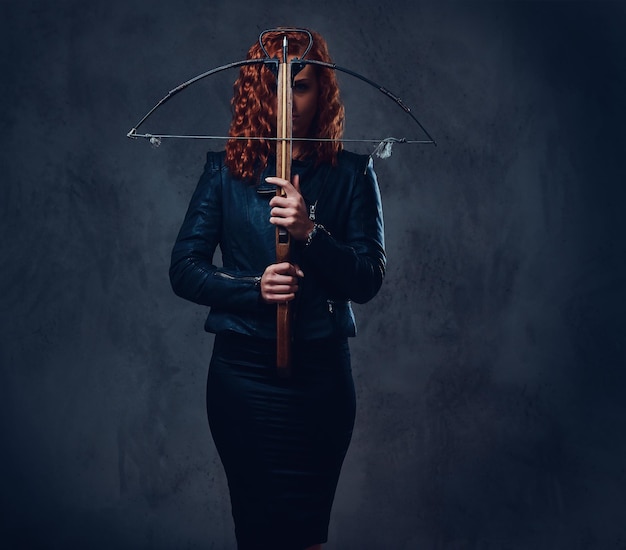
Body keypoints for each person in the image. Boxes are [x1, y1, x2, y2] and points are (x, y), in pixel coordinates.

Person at [169, 28, 385, 550]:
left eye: (303, 86)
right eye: (274, 85)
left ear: (324, 93)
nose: (288, 101)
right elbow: (185, 268)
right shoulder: (224, 173)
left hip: (320, 379)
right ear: (255, 92)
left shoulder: (354, 174)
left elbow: (368, 279)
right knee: (258, 535)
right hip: (242, 380)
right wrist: (254, 288)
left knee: (307, 537)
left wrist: (311, 233)